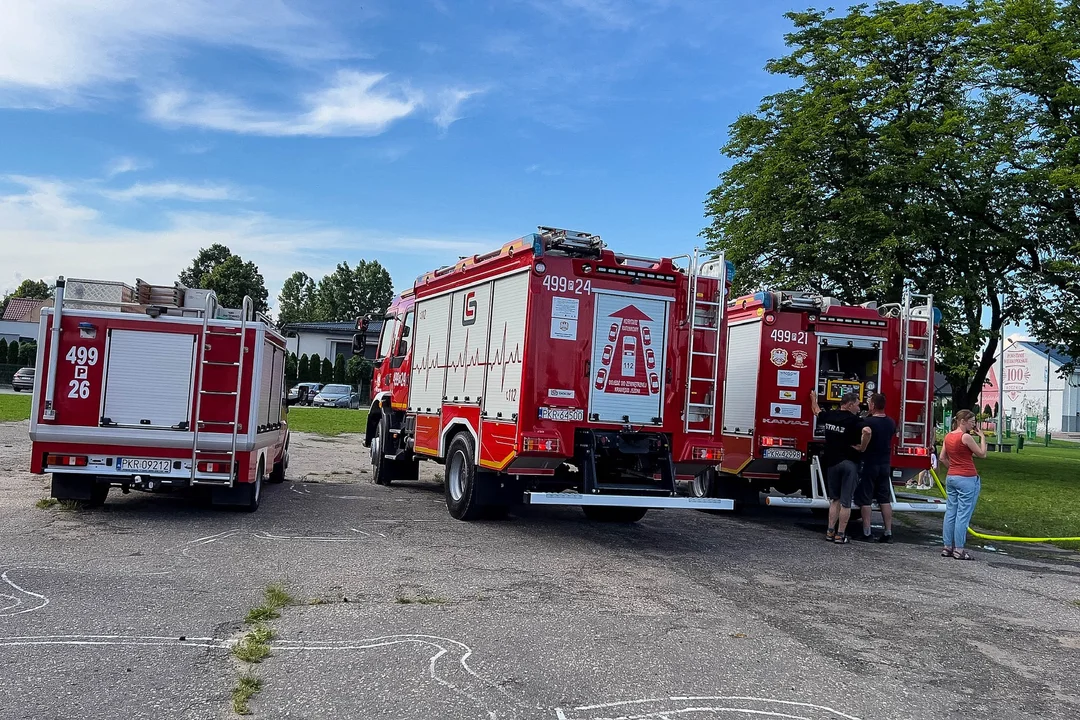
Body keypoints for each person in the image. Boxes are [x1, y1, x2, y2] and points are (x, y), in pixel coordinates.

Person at [810, 390, 871, 544]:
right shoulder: (855, 421)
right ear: (850, 405)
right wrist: (862, 447)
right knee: (846, 502)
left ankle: (830, 531)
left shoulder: (830, 415)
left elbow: (816, 411)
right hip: (850, 464)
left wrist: (813, 398)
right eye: (857, 405)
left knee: (834, 500)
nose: (859, 408)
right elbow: (867, 431)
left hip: (832, 463)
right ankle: (840, 534)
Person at [938, 409, 988, 560]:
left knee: (951, 512)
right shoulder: (965, 437)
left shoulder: (948, 436)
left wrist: (953, 467)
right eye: (971, 422)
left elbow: (942, 458)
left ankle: (947, 547)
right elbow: (982, 454)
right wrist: (983, 437)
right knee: (963, 514)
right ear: (962, 422)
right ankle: (959, 549)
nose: (973, 425)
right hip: (967, 478)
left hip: (952, 477)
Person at [854, 393, 896, 542]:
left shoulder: (867, 422)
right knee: (884, 499)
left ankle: (867, 532)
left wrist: (860, 448)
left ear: (872, 405)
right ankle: (888, 533)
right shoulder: (891, 422)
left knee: (866, 498)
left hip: (869, 463)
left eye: (869, 403)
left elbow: (862, 435)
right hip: (885, 464)